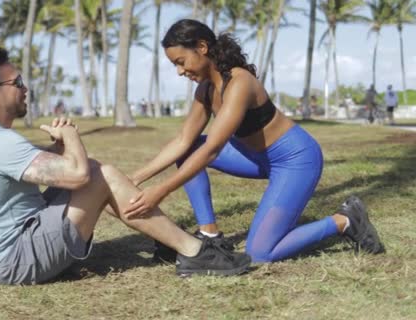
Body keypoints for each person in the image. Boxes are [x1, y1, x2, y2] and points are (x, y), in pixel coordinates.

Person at [0, 48, 251, 285]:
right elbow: (77, 175)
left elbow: (36, 167)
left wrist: (59, 148)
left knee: (99, 173)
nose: (25, 89)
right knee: (99, 175)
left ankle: (171, 241)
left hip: (20, 247)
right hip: (17, 260)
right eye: (17, 83)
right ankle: (195, 251)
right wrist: (72, 136)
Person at [126, 19, 384, 264]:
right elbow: (183, 140)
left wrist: (160, 191)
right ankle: (210, 235)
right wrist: (136, 178)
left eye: (181, 62)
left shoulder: (240, 82)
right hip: (251, 157)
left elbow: (213, 149)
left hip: (295, 161)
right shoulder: (205, 89)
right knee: (190, 147)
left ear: (202, 47)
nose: (180, 71)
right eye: (175, 65)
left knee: (260, 252)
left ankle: (345, 220)